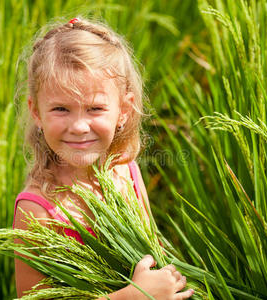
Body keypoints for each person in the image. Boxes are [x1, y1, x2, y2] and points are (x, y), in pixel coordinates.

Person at [13, 17, 195, 299]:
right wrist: (131, 296)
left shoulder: (125, 170)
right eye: (61, 109)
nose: (79, 126)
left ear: (123, 110)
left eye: (95, 108)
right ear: (36, 112)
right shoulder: (37, 211)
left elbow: (152, 250)